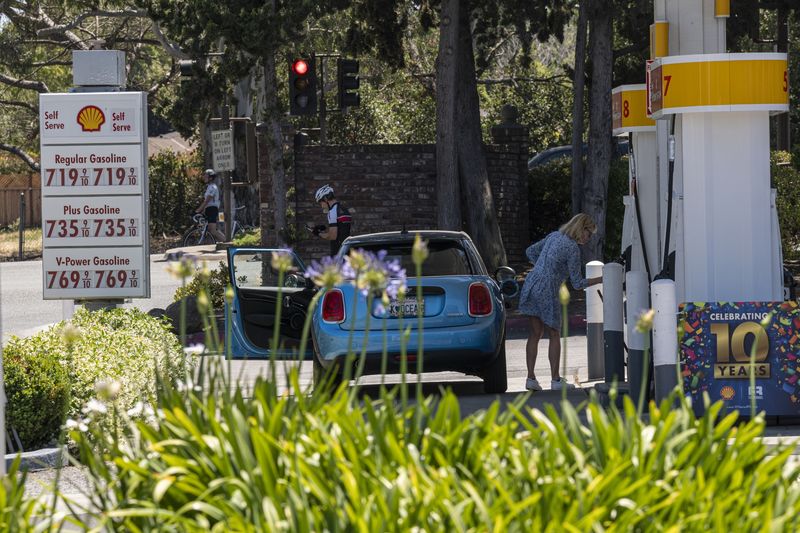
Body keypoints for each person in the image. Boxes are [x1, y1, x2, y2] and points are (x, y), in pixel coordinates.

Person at [518, 213, 603, 391]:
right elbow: (578, 283)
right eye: (588, 234)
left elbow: (530, 251)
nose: (588, 239)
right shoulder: (572, 248)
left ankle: (530, 378)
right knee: (554, 333)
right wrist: (601, 279)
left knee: (535, 333)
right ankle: (556, 380)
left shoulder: (554, 235)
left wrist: (544, 267)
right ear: (582, 229)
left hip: (532, 283)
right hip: (548, 289)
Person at [312, 184, 352, 255]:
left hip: (338, 252)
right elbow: (341, 230)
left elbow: (333, 236)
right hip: (347, 249)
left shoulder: (332, 212)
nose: (322, 206)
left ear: (325, 199)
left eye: (321, 202)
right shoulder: (344, 209)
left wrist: (318, 233)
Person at [195, 169, 225, 242]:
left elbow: (207, 201)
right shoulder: (209, 186)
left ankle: (228, 243)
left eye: (206, 175)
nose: (204, 177)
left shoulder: (212, 187)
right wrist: (203, 210)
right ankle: (223, 241)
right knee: (212, 229)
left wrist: (198, 210)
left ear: (210, 178)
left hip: (212, 209)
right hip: (209, 209)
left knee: (213, 231)